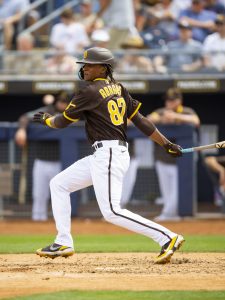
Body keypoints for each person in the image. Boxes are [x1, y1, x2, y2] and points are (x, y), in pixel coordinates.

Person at [33, 47, 184, 264]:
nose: (84, 68)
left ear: (103, 68)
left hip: (109, 153)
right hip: (105, 154)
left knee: (111, 211)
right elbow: (141, 121)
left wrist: (47, 119)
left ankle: (167, 237)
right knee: (59, 184)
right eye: (83, 65)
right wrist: (166, 143)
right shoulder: (118, 88)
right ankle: (63, 241)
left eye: (90, 65)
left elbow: (62, 122)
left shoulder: (89, 91)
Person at [15, 91, 70, 221]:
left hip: (60, 162)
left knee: (60, 195)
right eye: (61, 101)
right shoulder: (46, 110)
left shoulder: (71, 114)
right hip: (41, 160)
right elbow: (25, 117)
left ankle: (60, 222)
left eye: (65, 102)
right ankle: (37, 223)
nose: (62, 104)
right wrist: (22, 129)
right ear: (57, 101)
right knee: (39, 195)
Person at [147, 87, 200, 221]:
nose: (169, 103)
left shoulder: (186, 111)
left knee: (177, 190)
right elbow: (148, 119)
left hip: (181, 161)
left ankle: (168, 214)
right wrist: (160, 119)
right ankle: (170, 214)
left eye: (172, 100)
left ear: (179, 101)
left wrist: (176, 117)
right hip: (162, 158)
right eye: (167, 100)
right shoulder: (161, 111)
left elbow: (196, 120)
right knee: (167, 191)